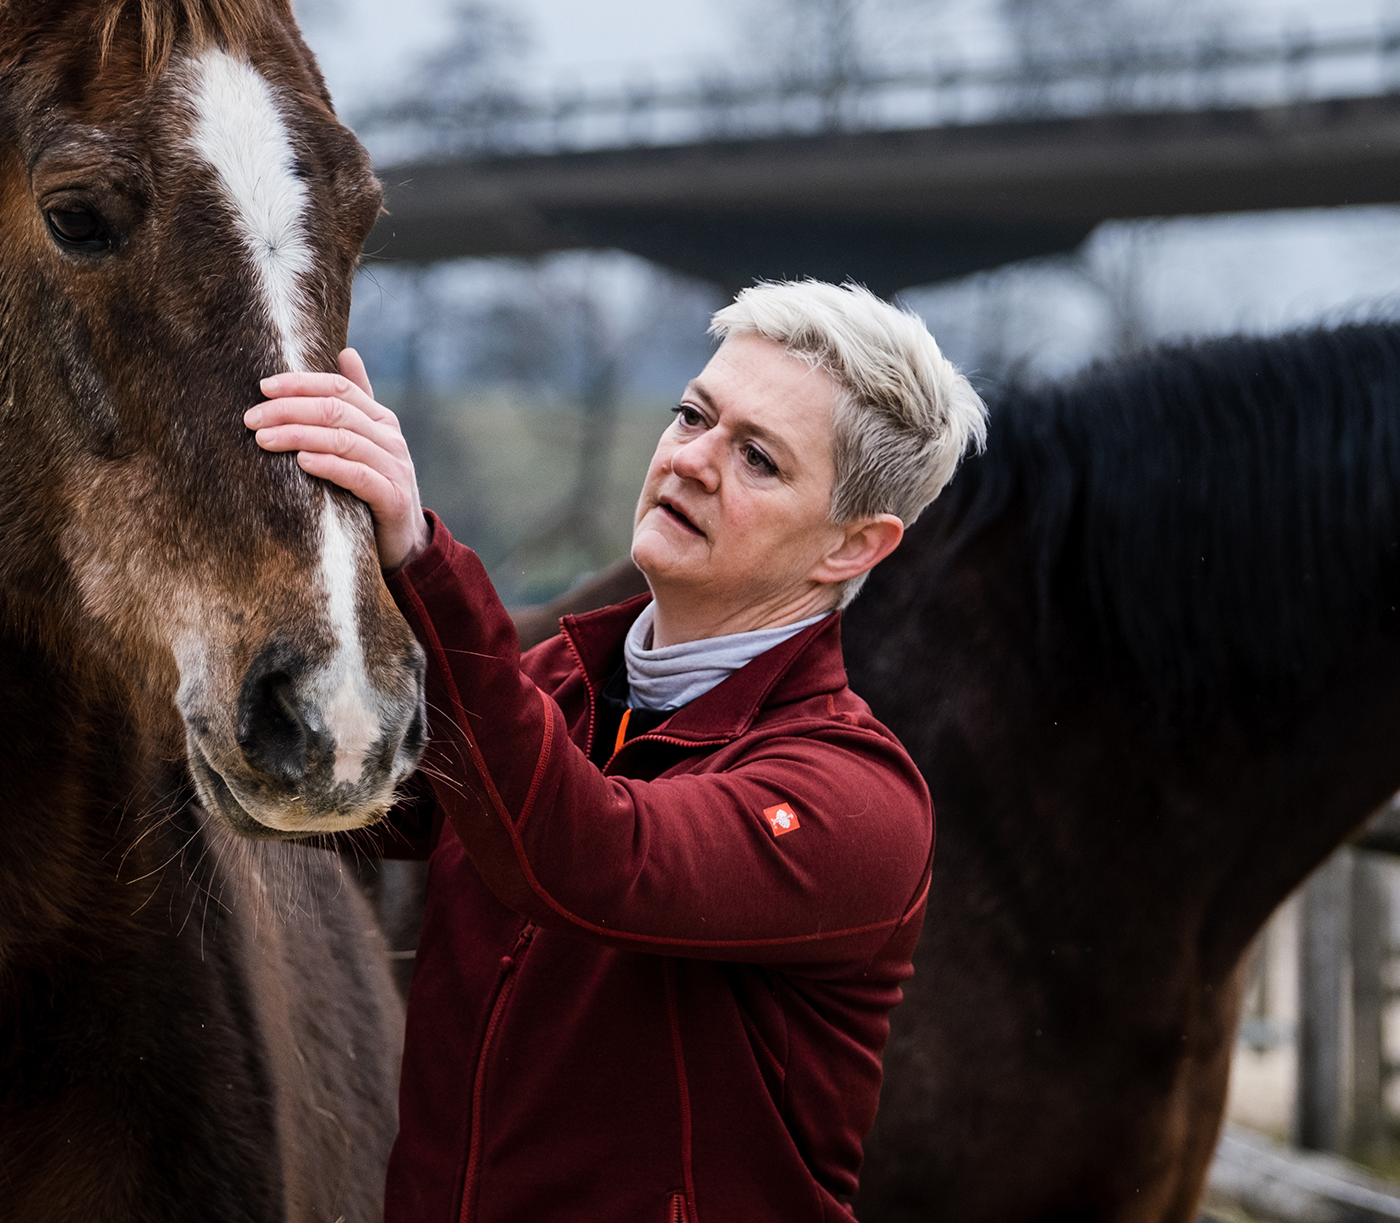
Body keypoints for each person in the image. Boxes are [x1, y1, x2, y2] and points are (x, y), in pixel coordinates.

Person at [245, 279, 986, 1222]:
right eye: (693, 414)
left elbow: (590, 857)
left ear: (852, 546)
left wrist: (422, 553)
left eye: (758, 457)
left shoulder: (857, 800)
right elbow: (323, 774)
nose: (691, 459)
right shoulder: (559, 687)